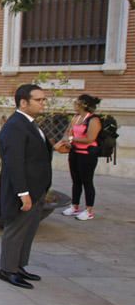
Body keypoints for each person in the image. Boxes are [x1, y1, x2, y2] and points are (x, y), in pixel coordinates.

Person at [0, 84, 54, 289]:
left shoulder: (30, 123)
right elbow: (14, 162)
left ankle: (19, 265)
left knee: (28, 231)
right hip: (22, 190)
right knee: (16, 230)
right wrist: (23, 193)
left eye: (43, 99)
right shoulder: (15, 126)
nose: (43, 104)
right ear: (23, 102)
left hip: (37, 188)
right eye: (39, 100)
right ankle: (8, 270)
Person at [61, 93, 102, 221]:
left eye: (76, 102)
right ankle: (75, 206)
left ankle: (89, 210)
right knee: (76, 181)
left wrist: (71, 139)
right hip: (74, 153)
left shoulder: (94, 119)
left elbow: (90, 138)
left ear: (83, 104)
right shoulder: (76, 117)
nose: (74, 104)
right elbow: (67, 132)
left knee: (87, 181)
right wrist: (65, 140)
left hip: (87, 155)